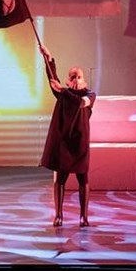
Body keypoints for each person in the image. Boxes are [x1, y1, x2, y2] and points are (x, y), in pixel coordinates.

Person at [39, 44, 96, 227]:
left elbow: (80, 103)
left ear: (84, 80)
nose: (76, 80)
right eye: (73, 77)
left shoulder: (90, 95)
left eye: (79, 77)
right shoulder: (63, 95)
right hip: (64, 144)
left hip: (80, 144)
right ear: (68, 80)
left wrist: (62, 90)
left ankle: (83, 217)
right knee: (60, 180)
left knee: (83, 180)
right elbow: (52, 77)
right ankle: (58, 215)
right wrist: (48, 57)